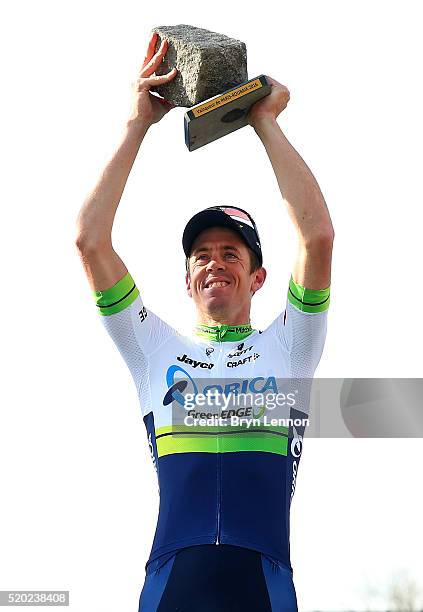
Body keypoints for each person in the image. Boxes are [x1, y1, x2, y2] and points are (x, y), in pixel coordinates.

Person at [75, 31, 334, 612]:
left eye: (231, 255)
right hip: (173, 582)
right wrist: (137, 124)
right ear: (187, 279)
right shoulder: (153, 350)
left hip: (262, 582)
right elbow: (90, 240)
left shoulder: (291, 348)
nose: (215, 264)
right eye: (202, 256)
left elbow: (317, 236)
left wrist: (265, 121)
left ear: (257, 278)